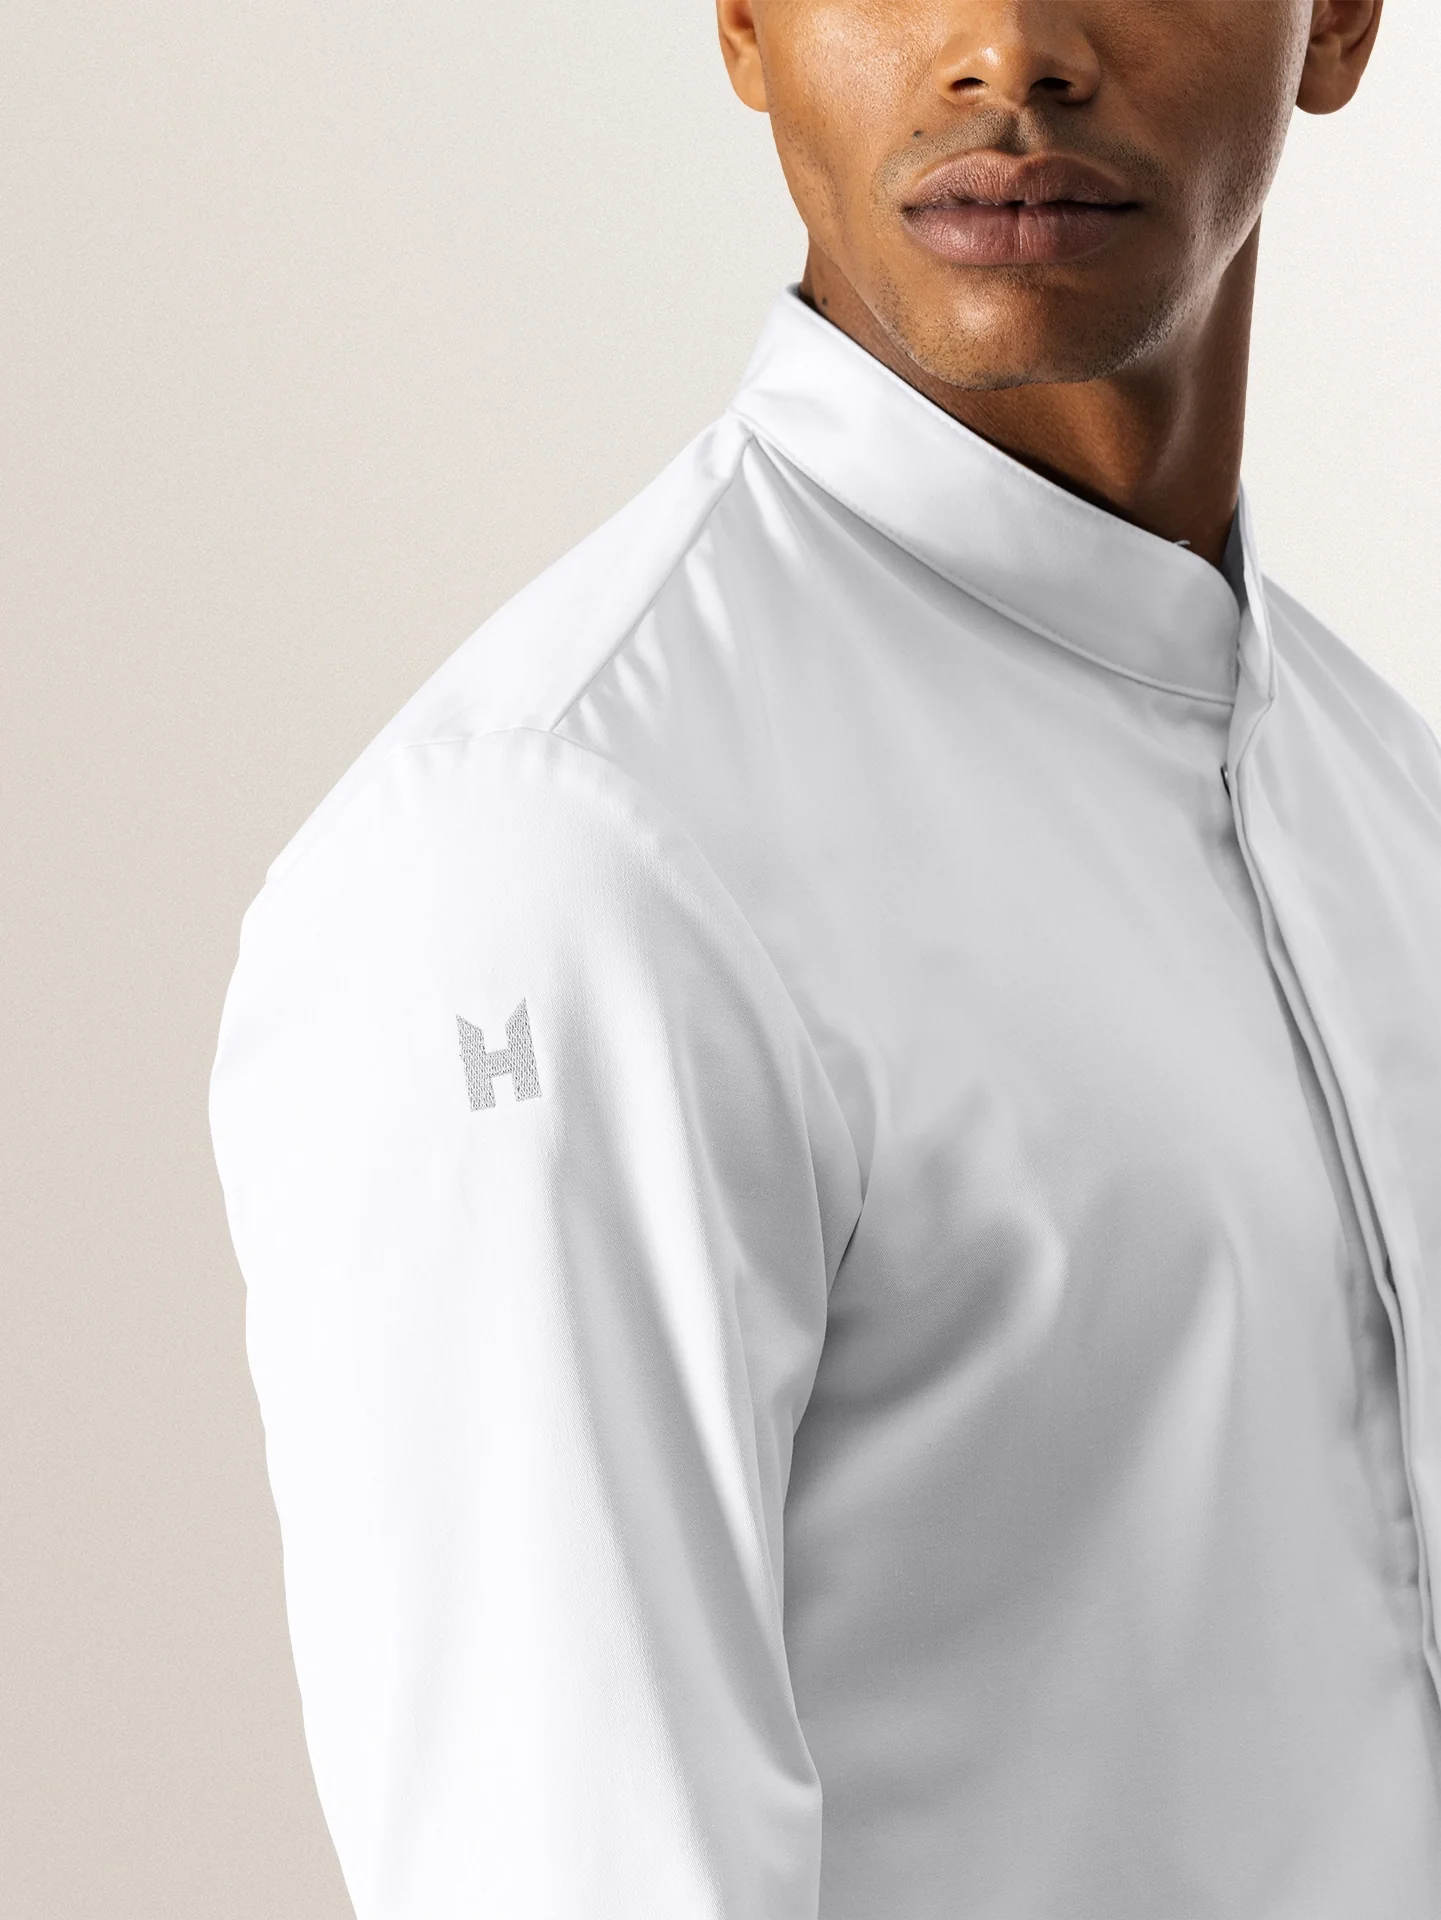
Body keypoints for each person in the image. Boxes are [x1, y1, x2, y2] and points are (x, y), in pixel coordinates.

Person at [210, 1, 1441, 1913]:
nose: (1010, 47)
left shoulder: (1389, 805)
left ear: (1340, 23)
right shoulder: (559, 857)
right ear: (743, 23)